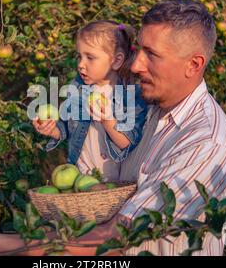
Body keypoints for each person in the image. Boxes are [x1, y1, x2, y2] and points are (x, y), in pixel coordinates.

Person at [0, 0, 226, 256]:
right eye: (138, 50)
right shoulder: (149, 104)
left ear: (193, 65)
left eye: (152, 55)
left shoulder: (205, 141)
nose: (137, 64)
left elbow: (119, 236)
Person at [32, 20, 148, 181]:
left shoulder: (132, 96)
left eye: (90, 58)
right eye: (79, 56)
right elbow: (67, 126)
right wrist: (52, 130)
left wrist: (108, 120)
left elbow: (128, 143)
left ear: (116, 61)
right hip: (81, 177)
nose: (80, 64)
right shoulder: (79, 88)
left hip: (117, 184)